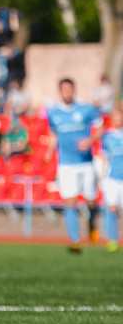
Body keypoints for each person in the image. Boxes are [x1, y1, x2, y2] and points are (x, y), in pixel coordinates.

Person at [45, 78, 102, 253]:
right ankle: (75, 241)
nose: (67, 93)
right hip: (66, 164)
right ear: (60, 91)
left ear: (74, 90)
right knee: (70, 201)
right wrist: (50, 151)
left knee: (90, 200)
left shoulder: (87, 109)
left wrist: (90, 140)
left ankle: (92, 222)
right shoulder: (53, 113)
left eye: (70, 89)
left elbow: (100, 128)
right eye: (64, 89)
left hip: (86, 163)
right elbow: (53, 134)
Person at [89, 106, 123, 252]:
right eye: (116, 118)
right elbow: (104, 158)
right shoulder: (108, 137)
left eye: (120, 117)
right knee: (112, 209)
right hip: (112, 178)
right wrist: (101, 178)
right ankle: (113, 240)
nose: (118, 120)